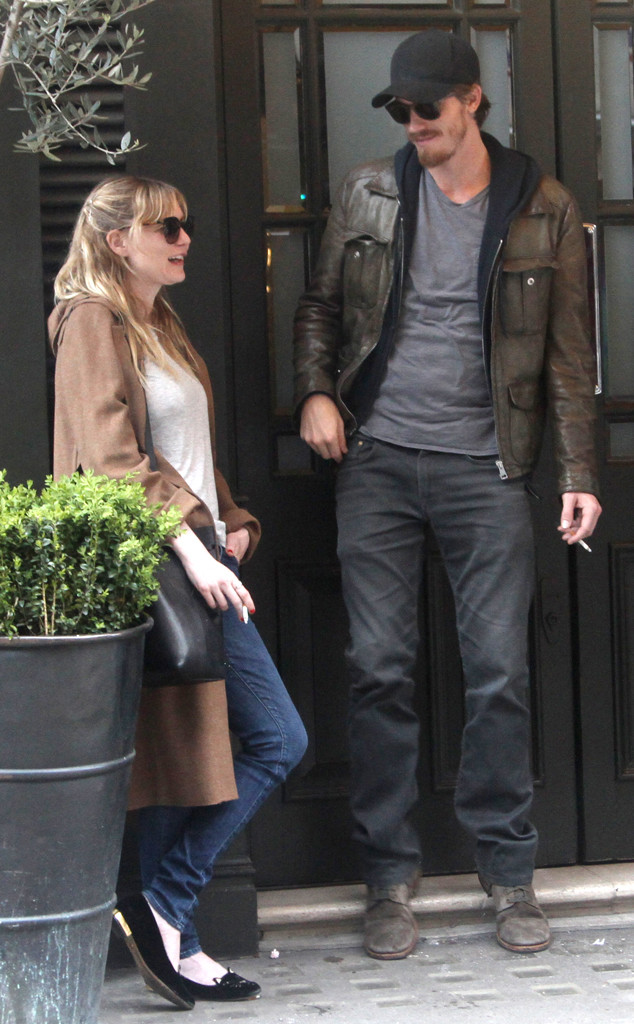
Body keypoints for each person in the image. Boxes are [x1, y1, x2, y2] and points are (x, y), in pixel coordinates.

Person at [293, 30, 601, 960]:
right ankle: (389, 878)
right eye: (400, 110)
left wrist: (579, 473)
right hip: (379, 460)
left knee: (499, 672)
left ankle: (509, 874)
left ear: (472, 100)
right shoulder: (368, 191)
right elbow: (320, 307)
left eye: (427, 107)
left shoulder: (545, 207)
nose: (413, 123)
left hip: (486, 468)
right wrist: (314, 391)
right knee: (379, 667)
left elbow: (569, 357)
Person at [50, 175, 307, 1010]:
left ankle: (176, 941)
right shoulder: (91, 321)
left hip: (200, 553)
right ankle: (164, 903)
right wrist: (195, 554)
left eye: (185, 223)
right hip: (167, 564)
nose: (184, 236)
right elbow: (110, 459)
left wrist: (232, 521)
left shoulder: (158, 322)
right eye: (167, 226)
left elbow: (186, 452)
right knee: (277, 738)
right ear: (118, 240)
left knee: (179, 757)